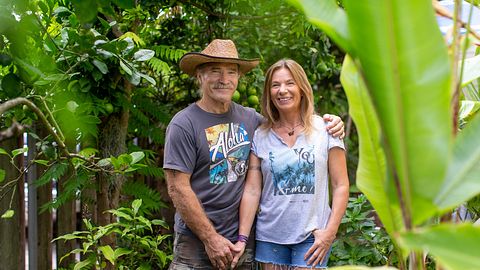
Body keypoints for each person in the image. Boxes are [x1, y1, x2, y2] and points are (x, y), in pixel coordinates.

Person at [163, 40, 345, 270]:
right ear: (200, 76)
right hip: (197, 240)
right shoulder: (184, 124)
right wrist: (210, 238)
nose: (224, 79)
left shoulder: (252, 121)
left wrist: (333, 122)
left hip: (243, 241)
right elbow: (177, 188)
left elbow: (288, 124)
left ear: (238, 78)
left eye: (231, 72)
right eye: (215, 71)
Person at [231, 59, 350, 270]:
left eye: (289, 83)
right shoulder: (261, 135)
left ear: (302, 88)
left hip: (313, 236)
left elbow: (340, 185)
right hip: (270, 238)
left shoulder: (326, 129)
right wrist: (242, 237)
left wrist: (329, 233)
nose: (282, 90)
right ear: (269, 93)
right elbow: (252, 190)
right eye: (275, 85)